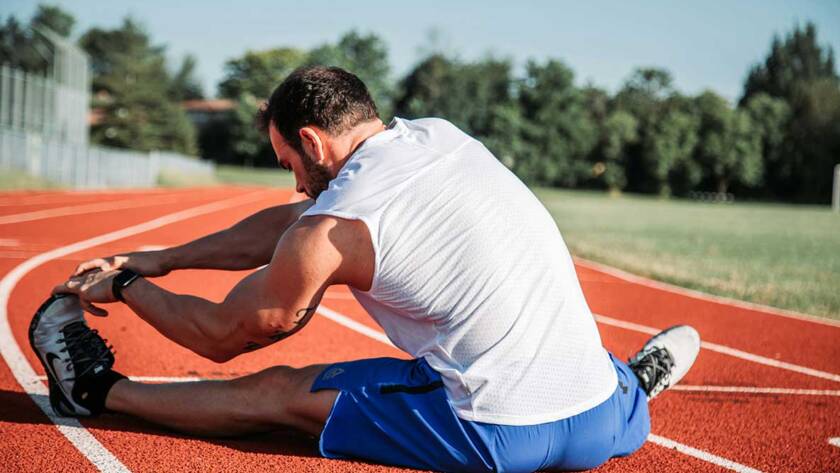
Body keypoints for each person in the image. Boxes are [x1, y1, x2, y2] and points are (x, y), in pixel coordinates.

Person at [31, 66, 700, 472]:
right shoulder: (439, 137)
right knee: (558, 339)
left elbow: (224, 333)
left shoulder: (330, 226)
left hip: (494, 432)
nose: (293, 183)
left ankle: (95, 391)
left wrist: (127, 283)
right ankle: (634, 385)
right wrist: (164, 257)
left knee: (277, 392)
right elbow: (294, 223)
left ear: (314, 143)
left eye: (289, 163)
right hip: (597, 422)